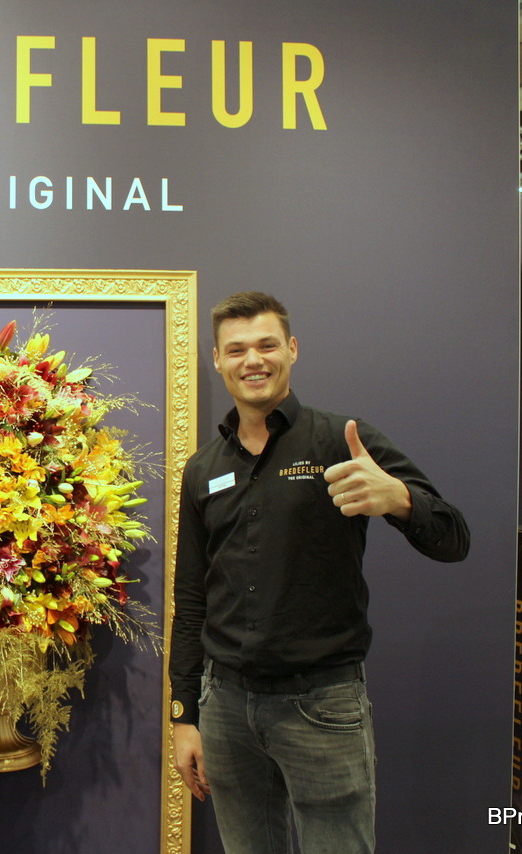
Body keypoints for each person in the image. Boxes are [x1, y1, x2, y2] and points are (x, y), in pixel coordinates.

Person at [169, 292, 469, 854]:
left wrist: (399, 499)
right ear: (217, 359)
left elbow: (455, 538)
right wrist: (184, 714)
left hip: (322, 706)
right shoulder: (203, 468)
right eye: (236, 349)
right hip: (224, 708)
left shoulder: (341, 441)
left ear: (292, 349)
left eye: (266, 345)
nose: (252, 360)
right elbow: (191, 599)